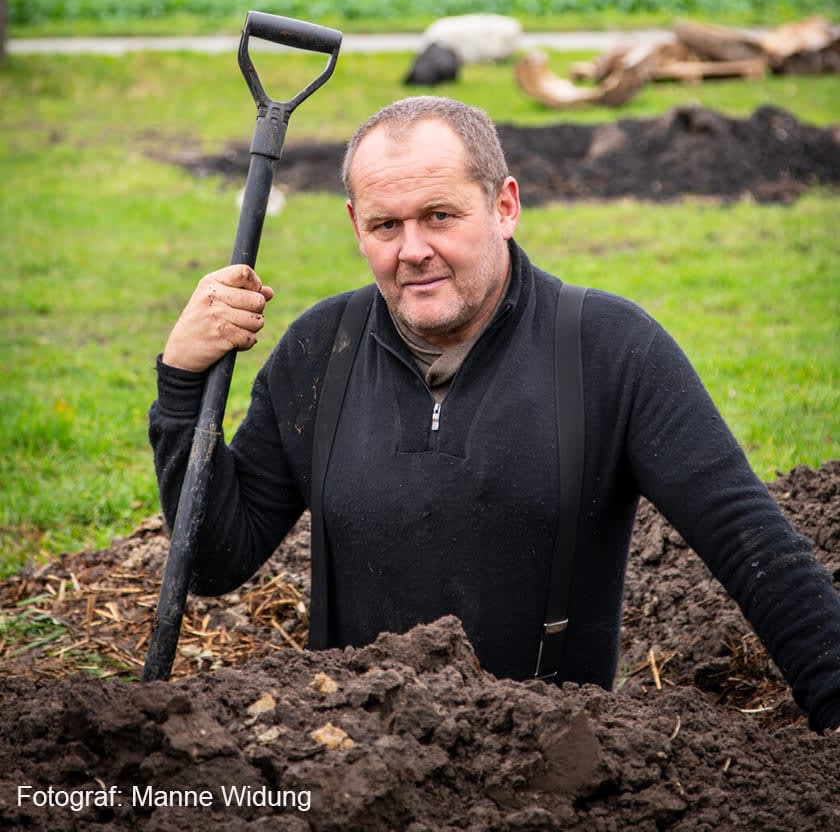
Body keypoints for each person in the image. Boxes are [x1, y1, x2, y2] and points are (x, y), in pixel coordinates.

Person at [149, 96, 840, 733]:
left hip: (548, 770)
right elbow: (213, 561)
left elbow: (754, 545)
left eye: (439, 216)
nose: (412, 249)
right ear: (356, 226)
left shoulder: (609, 350)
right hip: (356, 765)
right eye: (386, 224)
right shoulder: (320, 351)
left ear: (504, 206)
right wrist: (182, 384)